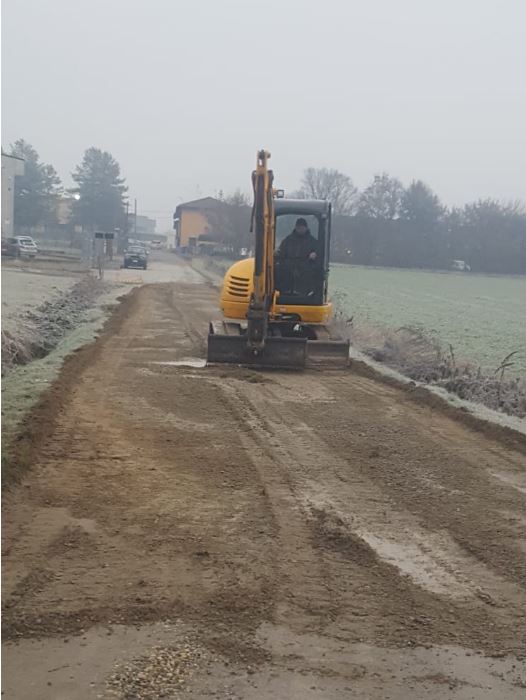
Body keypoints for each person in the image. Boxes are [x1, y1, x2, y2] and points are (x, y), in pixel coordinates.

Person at [275, 218, 319, 295]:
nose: (300, 229)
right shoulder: (288, 240)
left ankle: (306, 295)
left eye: (302, 228)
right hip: (288, 269)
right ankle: (284, 294)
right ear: (295, 227)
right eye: (298, 227)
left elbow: (319, 252)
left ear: (306, 228)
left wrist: (315, 254)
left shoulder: (312, 241)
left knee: (311, 273)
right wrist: (277, 253)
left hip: (306, 268)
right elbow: (281, 253)